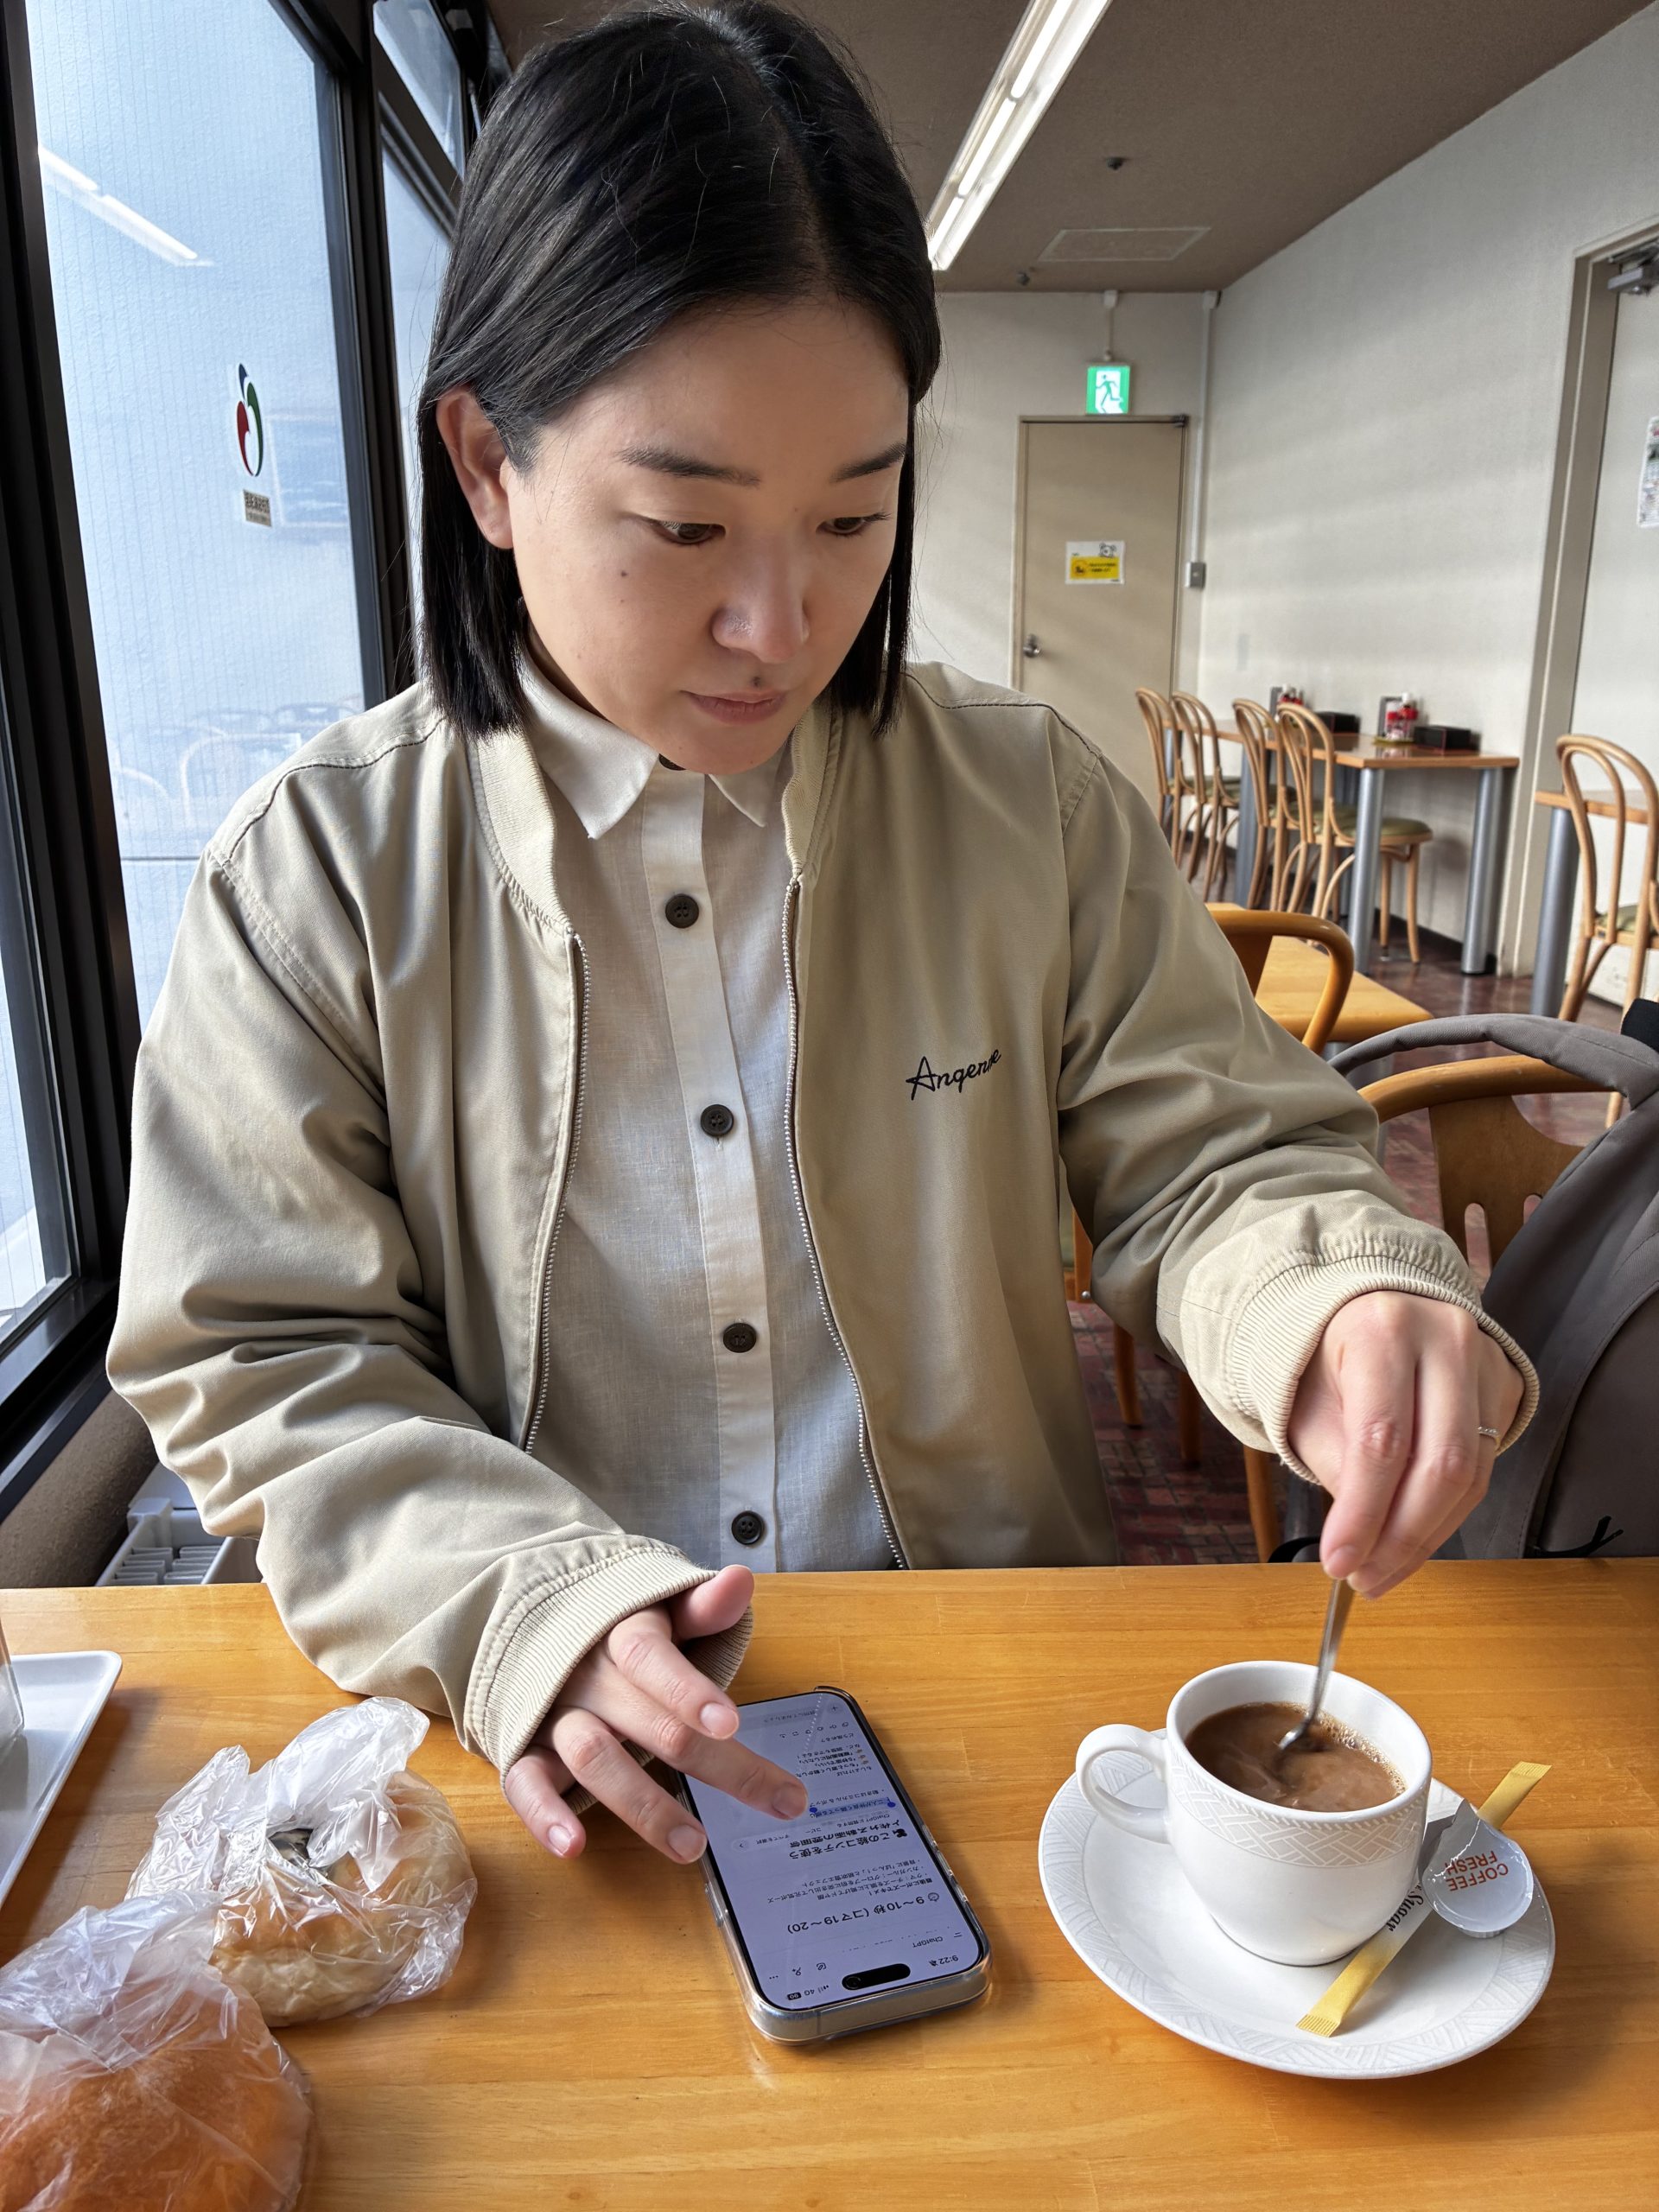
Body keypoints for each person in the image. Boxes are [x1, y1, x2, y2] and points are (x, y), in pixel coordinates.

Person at [107, 2, 1530, 1876]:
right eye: (685, 527)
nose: (779, 626)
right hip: (548, 1768)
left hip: (991, 1721)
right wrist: (518, 1599)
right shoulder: (319, 874)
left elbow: (1212, 1157)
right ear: (487, 465)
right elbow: (267, 1351)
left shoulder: (1025, 803)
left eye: (855, 516)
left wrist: (1329, 1294)